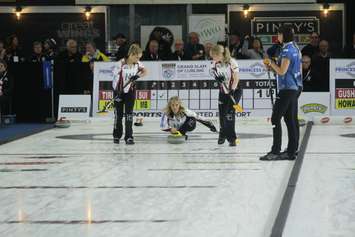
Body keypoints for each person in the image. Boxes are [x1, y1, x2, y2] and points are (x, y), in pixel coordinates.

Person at [260, 25, 302, 161]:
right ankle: (292, 150)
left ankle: (275, 150)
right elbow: (284, 71)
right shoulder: (295, 47)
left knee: (275, 118)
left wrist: (271, 63)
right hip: (294, 87)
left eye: (278, 34)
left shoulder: (287, 50)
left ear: (284, 35)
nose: (277, 37)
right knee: (290, 119)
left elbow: (282, 71)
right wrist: (272, 66)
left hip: (287, 89)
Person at [112, 44, 148, 145]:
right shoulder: (120, 64)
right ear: (131, 54)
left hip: (130, 92)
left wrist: (137, 76)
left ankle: (129, 137)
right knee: (118, 116)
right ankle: (116, 136)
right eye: (137, 57)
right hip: (119, 92)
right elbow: (115, 79)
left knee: (129, 115)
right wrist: (117, 91)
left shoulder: (137, 64)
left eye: (139, 57)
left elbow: (145, 71)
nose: (138, 59)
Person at [210, 44, 242, 147]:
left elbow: (236, 78)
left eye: (214, 56)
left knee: (229, 114)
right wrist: (217, 78)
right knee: (222, 114)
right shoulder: (215, 63)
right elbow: (213, 73)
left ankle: (232, 139)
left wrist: (232, 90)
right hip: (223, 92)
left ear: (219, 54)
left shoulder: (232, 62)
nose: (212, 58)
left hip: (234, 91)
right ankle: (222, 134)